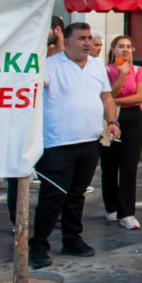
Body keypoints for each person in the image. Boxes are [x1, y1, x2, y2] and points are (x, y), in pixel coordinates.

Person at [29, 23, 121, 269]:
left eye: (90, 38)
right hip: (57, 144)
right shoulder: (50, 66)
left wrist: (112, 121)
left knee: (77, 195)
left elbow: (106, 96)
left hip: (90, 141)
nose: (87, 43)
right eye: (81, 38)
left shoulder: (96, 66)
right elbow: (32, 93)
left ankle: (72, 239)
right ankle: (38, 245)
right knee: (52, 196)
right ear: (66, 42)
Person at [101, 35, 142, 230]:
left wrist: (112, 100)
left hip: (133, 118)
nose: (125, 50)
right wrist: (121, 75)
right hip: (111, 118)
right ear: (113, 50)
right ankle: (111, 206)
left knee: (129, 167)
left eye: (129, 46)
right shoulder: (106, 70)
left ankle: (127, 212)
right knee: (110, 165)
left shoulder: (138, 70)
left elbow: (138, 96)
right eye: (121, 46)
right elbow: (110, 94)